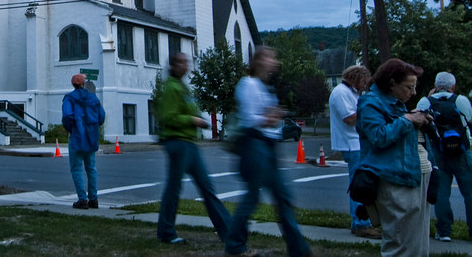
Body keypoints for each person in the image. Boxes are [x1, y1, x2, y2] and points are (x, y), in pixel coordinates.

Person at [224, 46, 311, 257]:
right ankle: (235, 246)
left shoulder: (264, 87)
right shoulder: (248, 84)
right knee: (254, 198)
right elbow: (251, 119)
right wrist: (270, 117)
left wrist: (273, 118)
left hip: (267, 146)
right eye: (270, 58)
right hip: (255, 145)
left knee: (281, 197)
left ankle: (298, 249)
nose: (274, 62)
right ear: (259, 61)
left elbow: (268, 120)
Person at [356, 58, 433, 256]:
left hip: (410, 174)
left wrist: (415, 117)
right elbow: (378, 136)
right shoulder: (370, 103)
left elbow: (398, 128)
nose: (413, 93)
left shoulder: (396, 103)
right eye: (409, 87)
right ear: (391, 83)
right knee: (400, 241)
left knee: (416, 239)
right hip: (392, 178)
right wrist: (408, 119)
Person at [157, 52, 230, 245]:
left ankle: (229, 232)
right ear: (173, 65)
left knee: (207, 188)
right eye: (180, 61)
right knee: (174, 189)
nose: (185, 65)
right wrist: (192, 120)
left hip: (189, 144)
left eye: (186, 61)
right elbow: (168, 116)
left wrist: (199, 121)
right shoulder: (171, 88)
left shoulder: (183, 87)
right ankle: (166, 232)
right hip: (177, 143)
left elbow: (187, 110)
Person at [416, 71, 472, 245]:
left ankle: (444, 231)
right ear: (453, 86)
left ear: (435, 85)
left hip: (438, 152)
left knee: (441, 193)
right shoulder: (460, 100)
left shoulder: (426, 101)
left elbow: (418, 120)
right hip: (462, 152)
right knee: (471, 194)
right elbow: (471, 119)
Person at [329, 64, 378, 238]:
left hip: (358, 143)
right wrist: (369, 113)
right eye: (363, 82)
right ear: (356, 78)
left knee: (362, 183)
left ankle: (359, 222)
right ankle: (361, 223)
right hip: (352, 144)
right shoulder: (341, 92)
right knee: (360, 184)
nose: (364, 85)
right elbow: (349, 118)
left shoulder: (352, 93)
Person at [61, 73, 105, 209]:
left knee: (76, 168)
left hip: (76, 137)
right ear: (83, 84)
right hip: (91, 137)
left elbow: (67, 116)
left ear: (73, 85)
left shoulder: (69, 98)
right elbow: (101, 116)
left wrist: (71, 129)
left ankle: (82, 199)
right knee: (91, 168)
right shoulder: (93, 98)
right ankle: (93, 198)